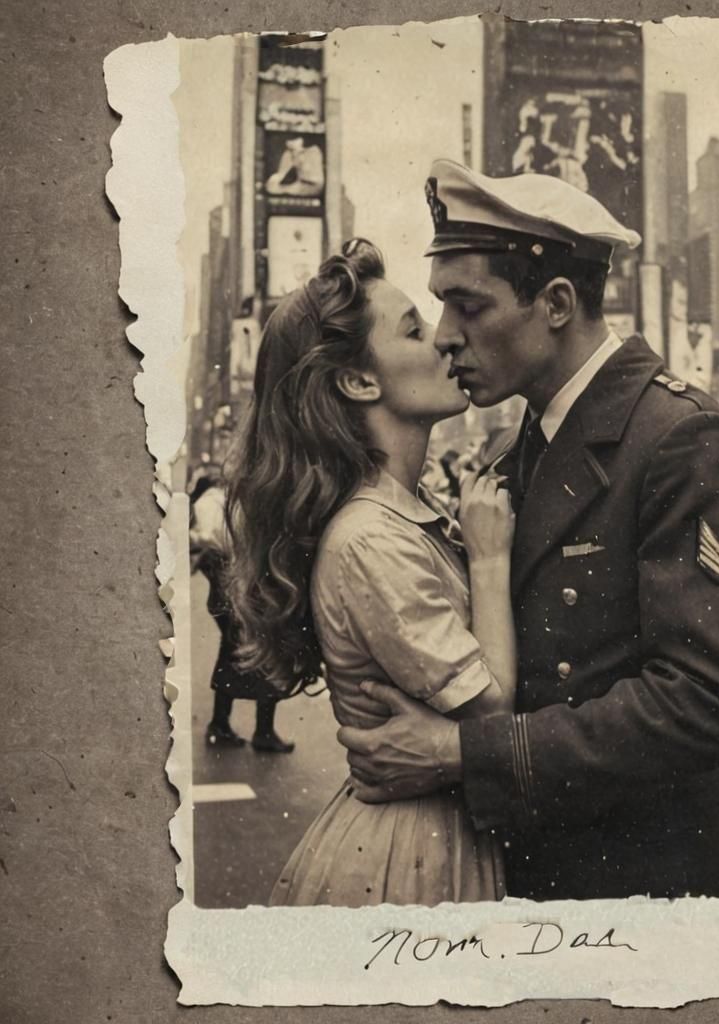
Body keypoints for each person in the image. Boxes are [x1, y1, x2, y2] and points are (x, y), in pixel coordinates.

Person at [338, 160, 719, 901]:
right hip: (542, 878)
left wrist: (463, 752)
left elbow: (714, 700)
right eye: (440, 309)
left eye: (468, 307)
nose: (445, 337)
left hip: (653, 890)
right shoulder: (519, 454)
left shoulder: (680, 438)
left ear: (558, 303)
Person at [225, 239, 517, 906]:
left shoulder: (405, 512)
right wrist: (491, 560)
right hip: (412, 860)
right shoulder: (367, 540)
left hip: (434, 834)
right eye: (415, 328)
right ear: (358, 381)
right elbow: (492, 706)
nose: (447, 340)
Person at [188, 468, 295, 753]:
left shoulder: (226, 502)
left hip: (233, 593)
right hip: (243, 593)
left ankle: (224, 725)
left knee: (236, 654)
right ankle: (259, 731)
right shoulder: (236, 505)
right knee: (264, 654)